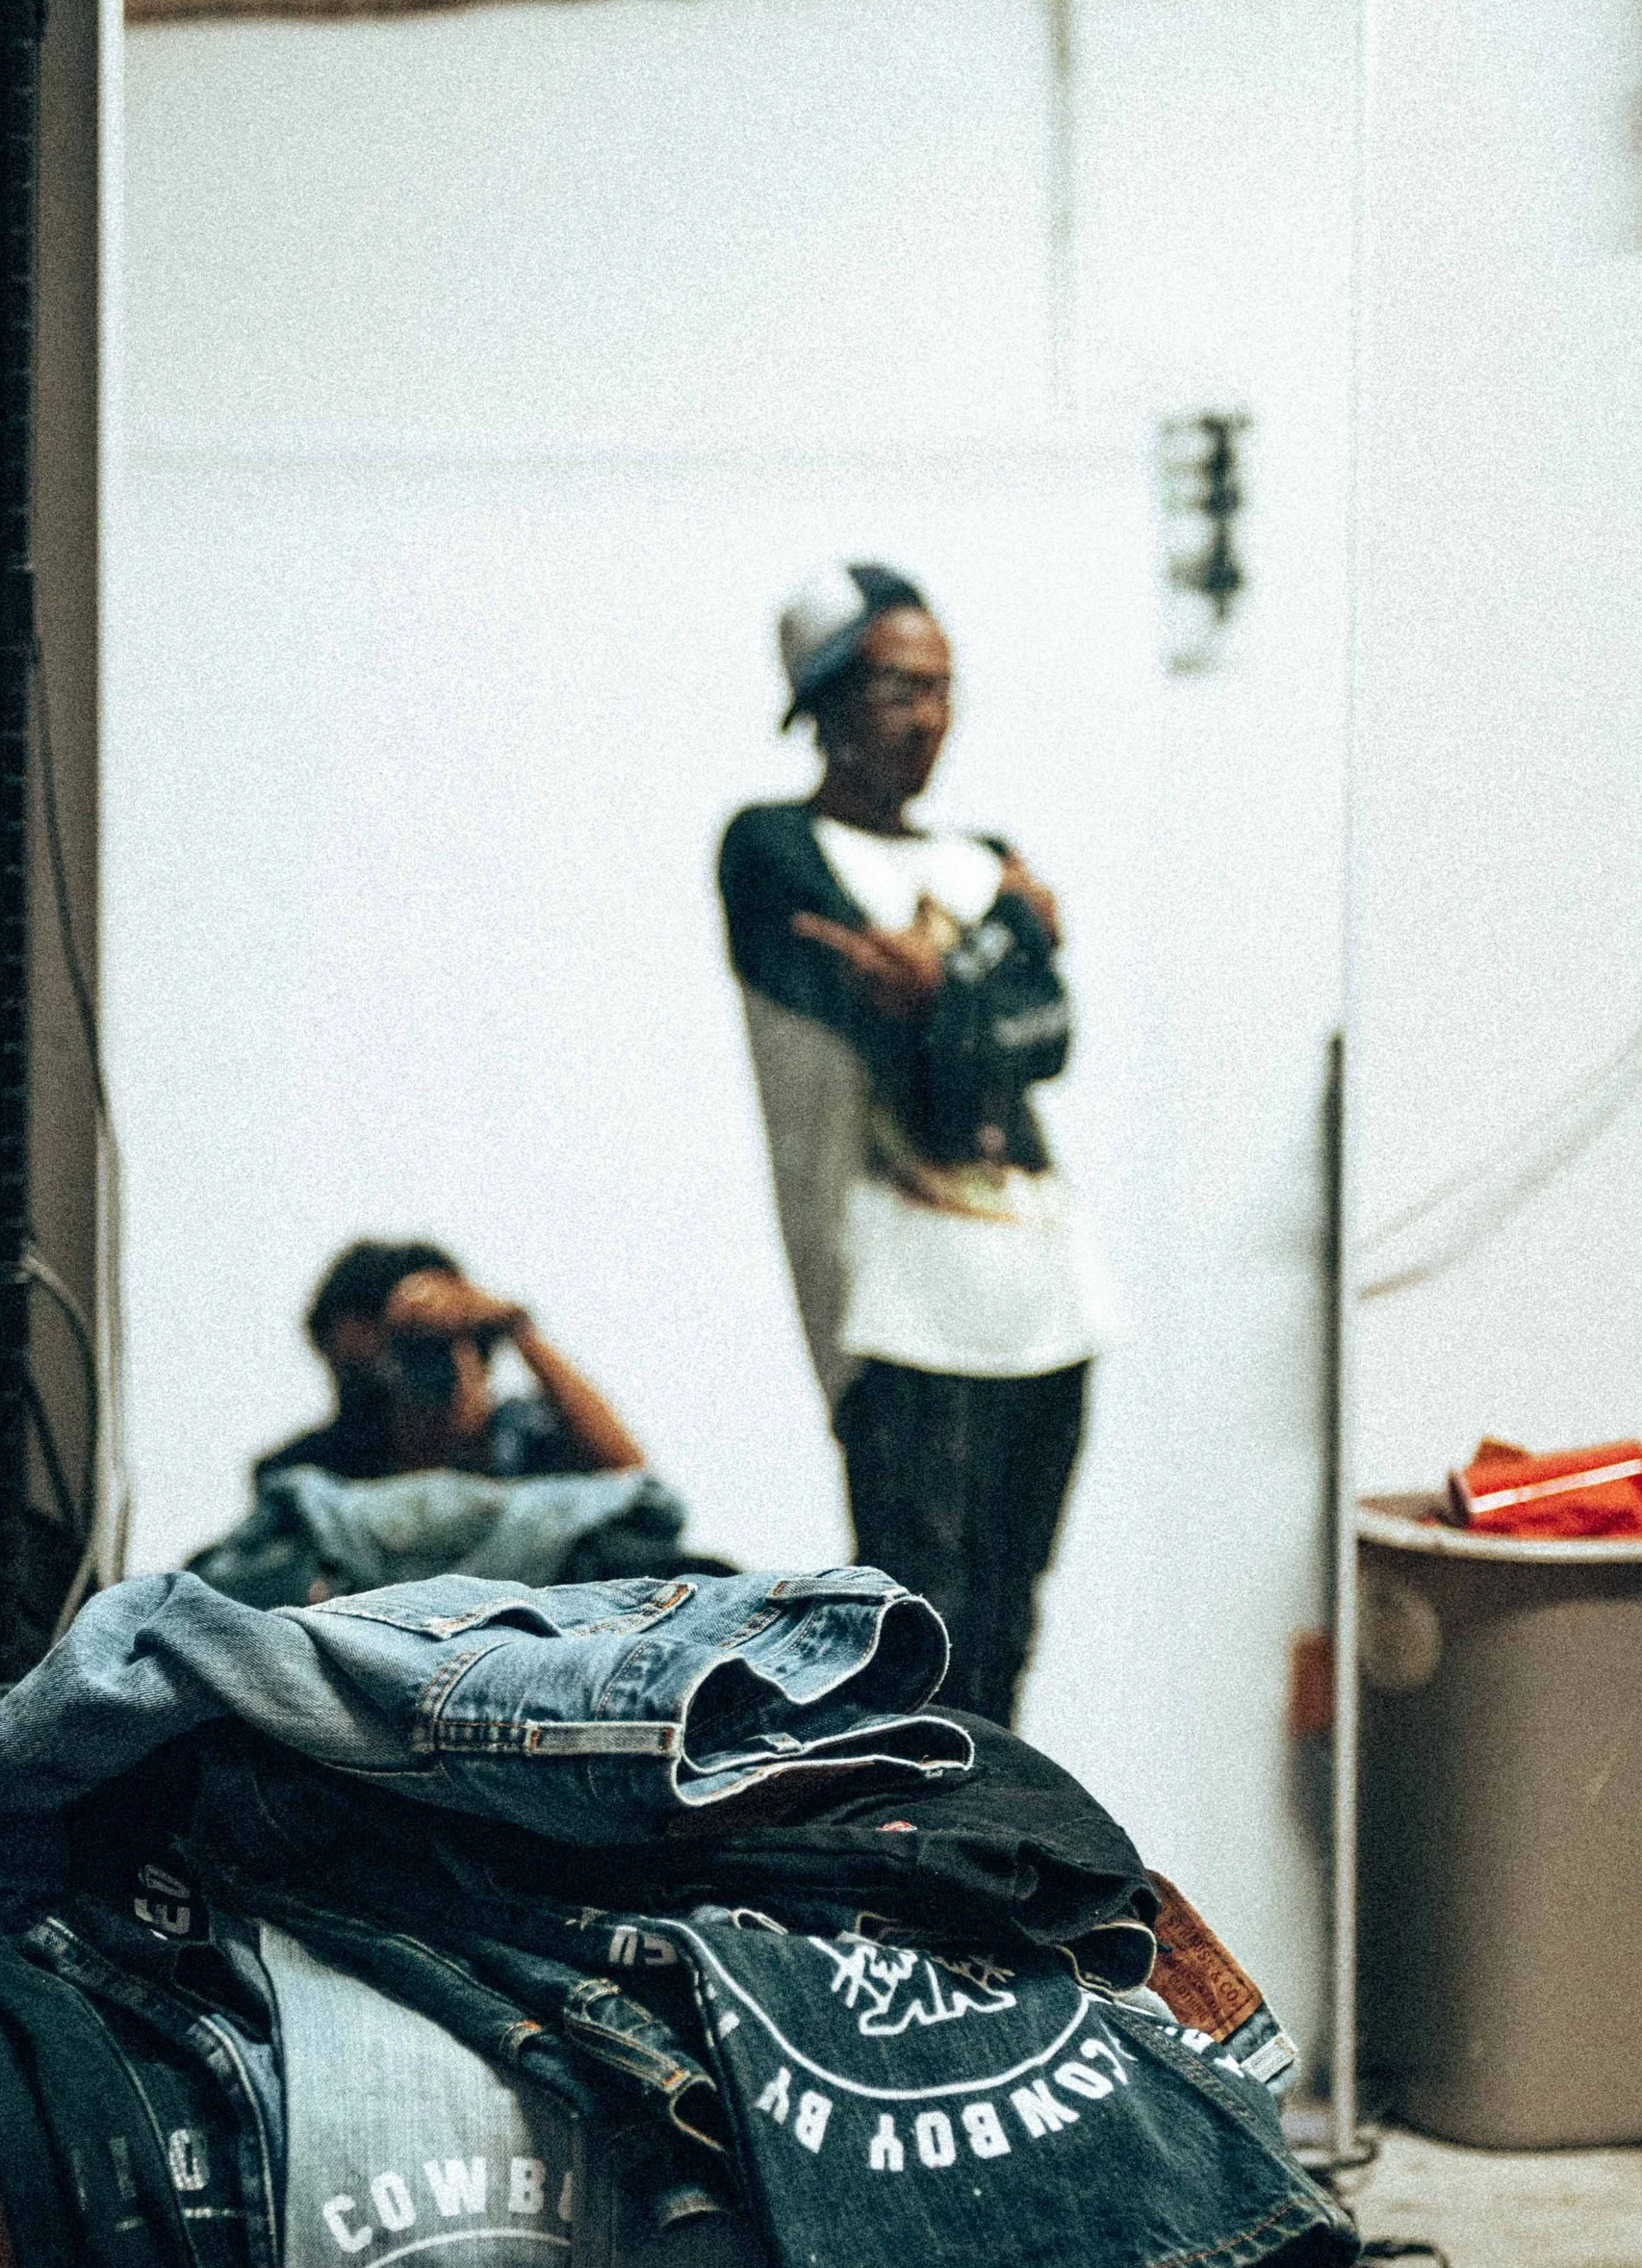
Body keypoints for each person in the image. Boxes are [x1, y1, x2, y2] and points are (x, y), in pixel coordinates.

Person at [717, 560, 1118, 1726]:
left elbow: (1045, 1036)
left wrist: (948, 979)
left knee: (1007, 1623)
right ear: (826, 697)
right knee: (918, 1633)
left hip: (1045, 1289)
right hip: (896, 1305)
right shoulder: (772, 847)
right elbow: (892, 1022)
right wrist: (999, 945)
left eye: (942, 687)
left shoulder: (980, 854)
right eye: (898, 687)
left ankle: (992, 1835)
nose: (927, 716)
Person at [258, 1241, 646, 1487]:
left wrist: (513, 1326)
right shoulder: (311, 1479)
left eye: (432, 1346)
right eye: (364, 1373)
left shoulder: (521, 1442)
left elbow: (631, 1479)